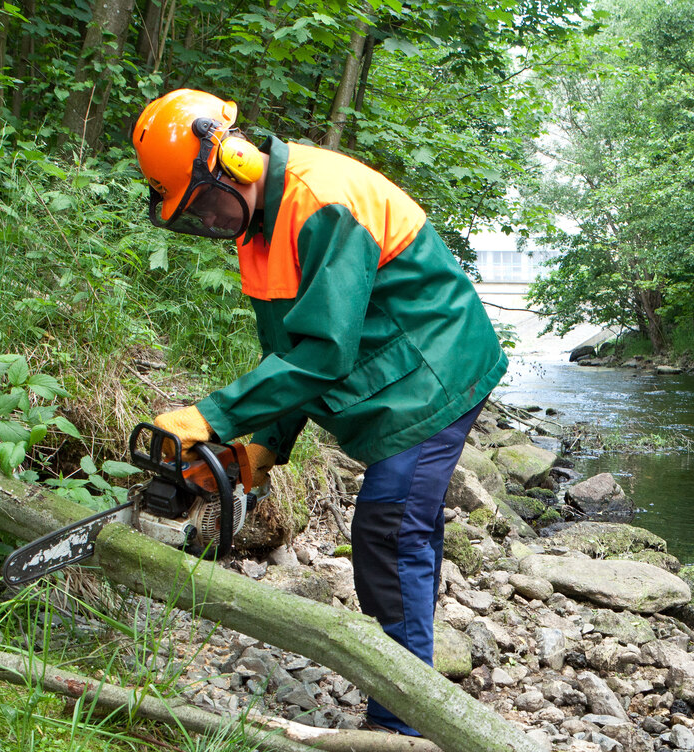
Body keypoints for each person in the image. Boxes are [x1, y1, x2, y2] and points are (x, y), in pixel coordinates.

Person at [129, 88, 508, 735]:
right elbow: (289, 351)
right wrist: (262, 448)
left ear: (234, 164)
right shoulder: (260, 231)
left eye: (205, 206)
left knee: (388, 528)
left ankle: (402, 724)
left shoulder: (323, 201)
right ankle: (411, 678)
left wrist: (210, 418)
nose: (210, 223)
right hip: (391, 366)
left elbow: (324, 353)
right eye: (194, 216)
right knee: (402, 531)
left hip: (438, 366)